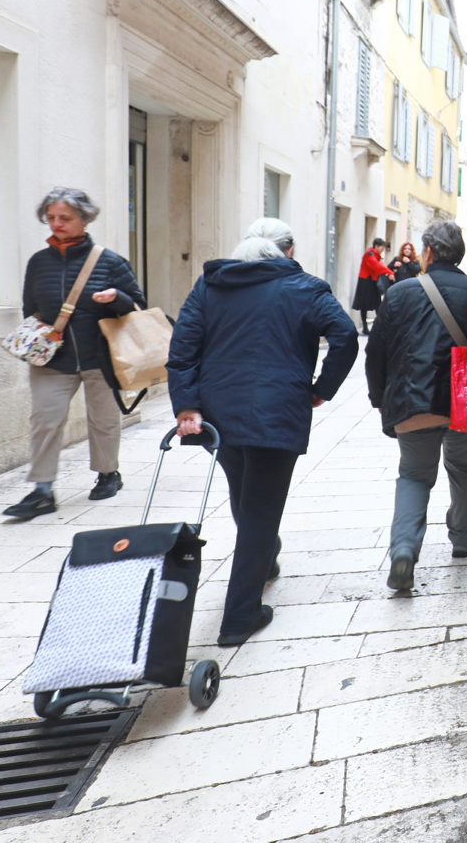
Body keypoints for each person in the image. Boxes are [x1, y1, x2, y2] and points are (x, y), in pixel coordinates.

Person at [167, 218, 358, 645]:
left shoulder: (210, 286)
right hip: (276, 412)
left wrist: (188, 405)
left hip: (218, 414)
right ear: (287, 250)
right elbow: (345, 335)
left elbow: (182, 348)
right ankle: (239, 618)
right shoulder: (306, 287)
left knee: (243, 490)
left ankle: (265, 557)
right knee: (259, 510)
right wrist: (321, 391)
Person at [365, 220, 467, 590]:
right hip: (466, 405)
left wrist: (379, 398)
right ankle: (463, 537)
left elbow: (376, 353)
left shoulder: (400, 294)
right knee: (464, 467)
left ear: (429, 253)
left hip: (411, 405)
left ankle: (404, 549)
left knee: (415, 476)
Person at [4, 189, 146, 520]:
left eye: (64, 218)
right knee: (44, 420)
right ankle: (42, 490)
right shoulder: (38, 262)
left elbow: (136, 304)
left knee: (104, 419)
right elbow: (31, 308)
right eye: (51, 218)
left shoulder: (110, 261)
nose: (56, 224)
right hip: (52, 358)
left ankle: (108, 474)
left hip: (100, 355)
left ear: (84, 218)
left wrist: (115, 297)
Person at [353, 237, 394, 335]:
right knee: (364, 304)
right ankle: (366, 327)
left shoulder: (375, 255)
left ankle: (379, 326)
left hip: (372, 281)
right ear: (376, 246)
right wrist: (389, 271)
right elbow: (376, 266)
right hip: (366, 282)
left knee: (377, 304)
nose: (383, 250)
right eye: (382, 248)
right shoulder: (369, 254)